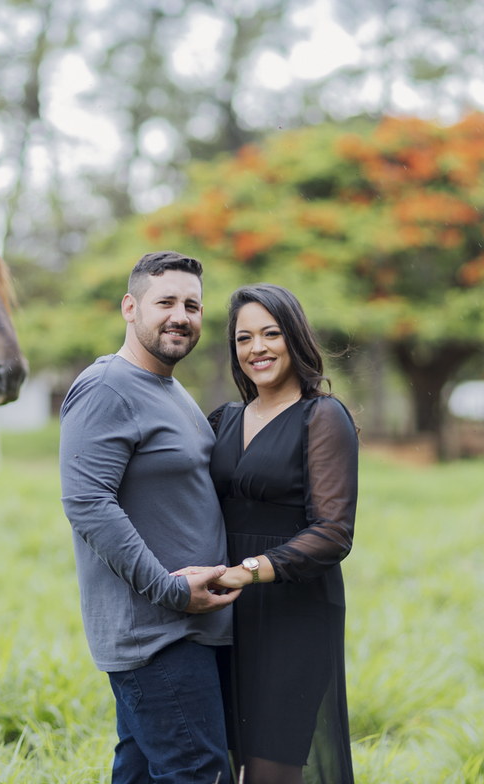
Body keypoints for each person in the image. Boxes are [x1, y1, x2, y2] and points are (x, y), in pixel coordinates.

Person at [59, 251, 241, 784]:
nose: (180, 316)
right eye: (165, 302)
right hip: (158, 633)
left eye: (192, 306)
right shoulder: (106, 387)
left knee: (142, 774)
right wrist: (170, 590)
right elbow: (88, 503)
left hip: (187, 627)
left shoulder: (168, 387)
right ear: (130, 307)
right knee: (199, 774)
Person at [178, 283, 358, 784]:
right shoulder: (223, 419)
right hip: (220, 610)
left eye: (271, 334)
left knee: (269, 768)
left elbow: (334, 532)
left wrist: (247, 572)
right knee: (217, 761)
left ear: (294, 337)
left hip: (292, 611)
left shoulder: (322, 416)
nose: (257, 348)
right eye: (244, 338)